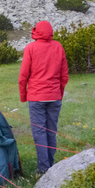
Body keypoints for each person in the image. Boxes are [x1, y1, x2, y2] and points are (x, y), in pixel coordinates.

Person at [18, 21, 69, 175]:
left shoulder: (30, 48)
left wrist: (23, 96)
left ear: (36, 32)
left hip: (36, 97)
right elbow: (64, 76)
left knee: (39, 133)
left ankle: (43, 168)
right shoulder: (58, 46)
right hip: (54, 97)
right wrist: (58, 93)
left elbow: (23, 76)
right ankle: (50, 166)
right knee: (51, 131)